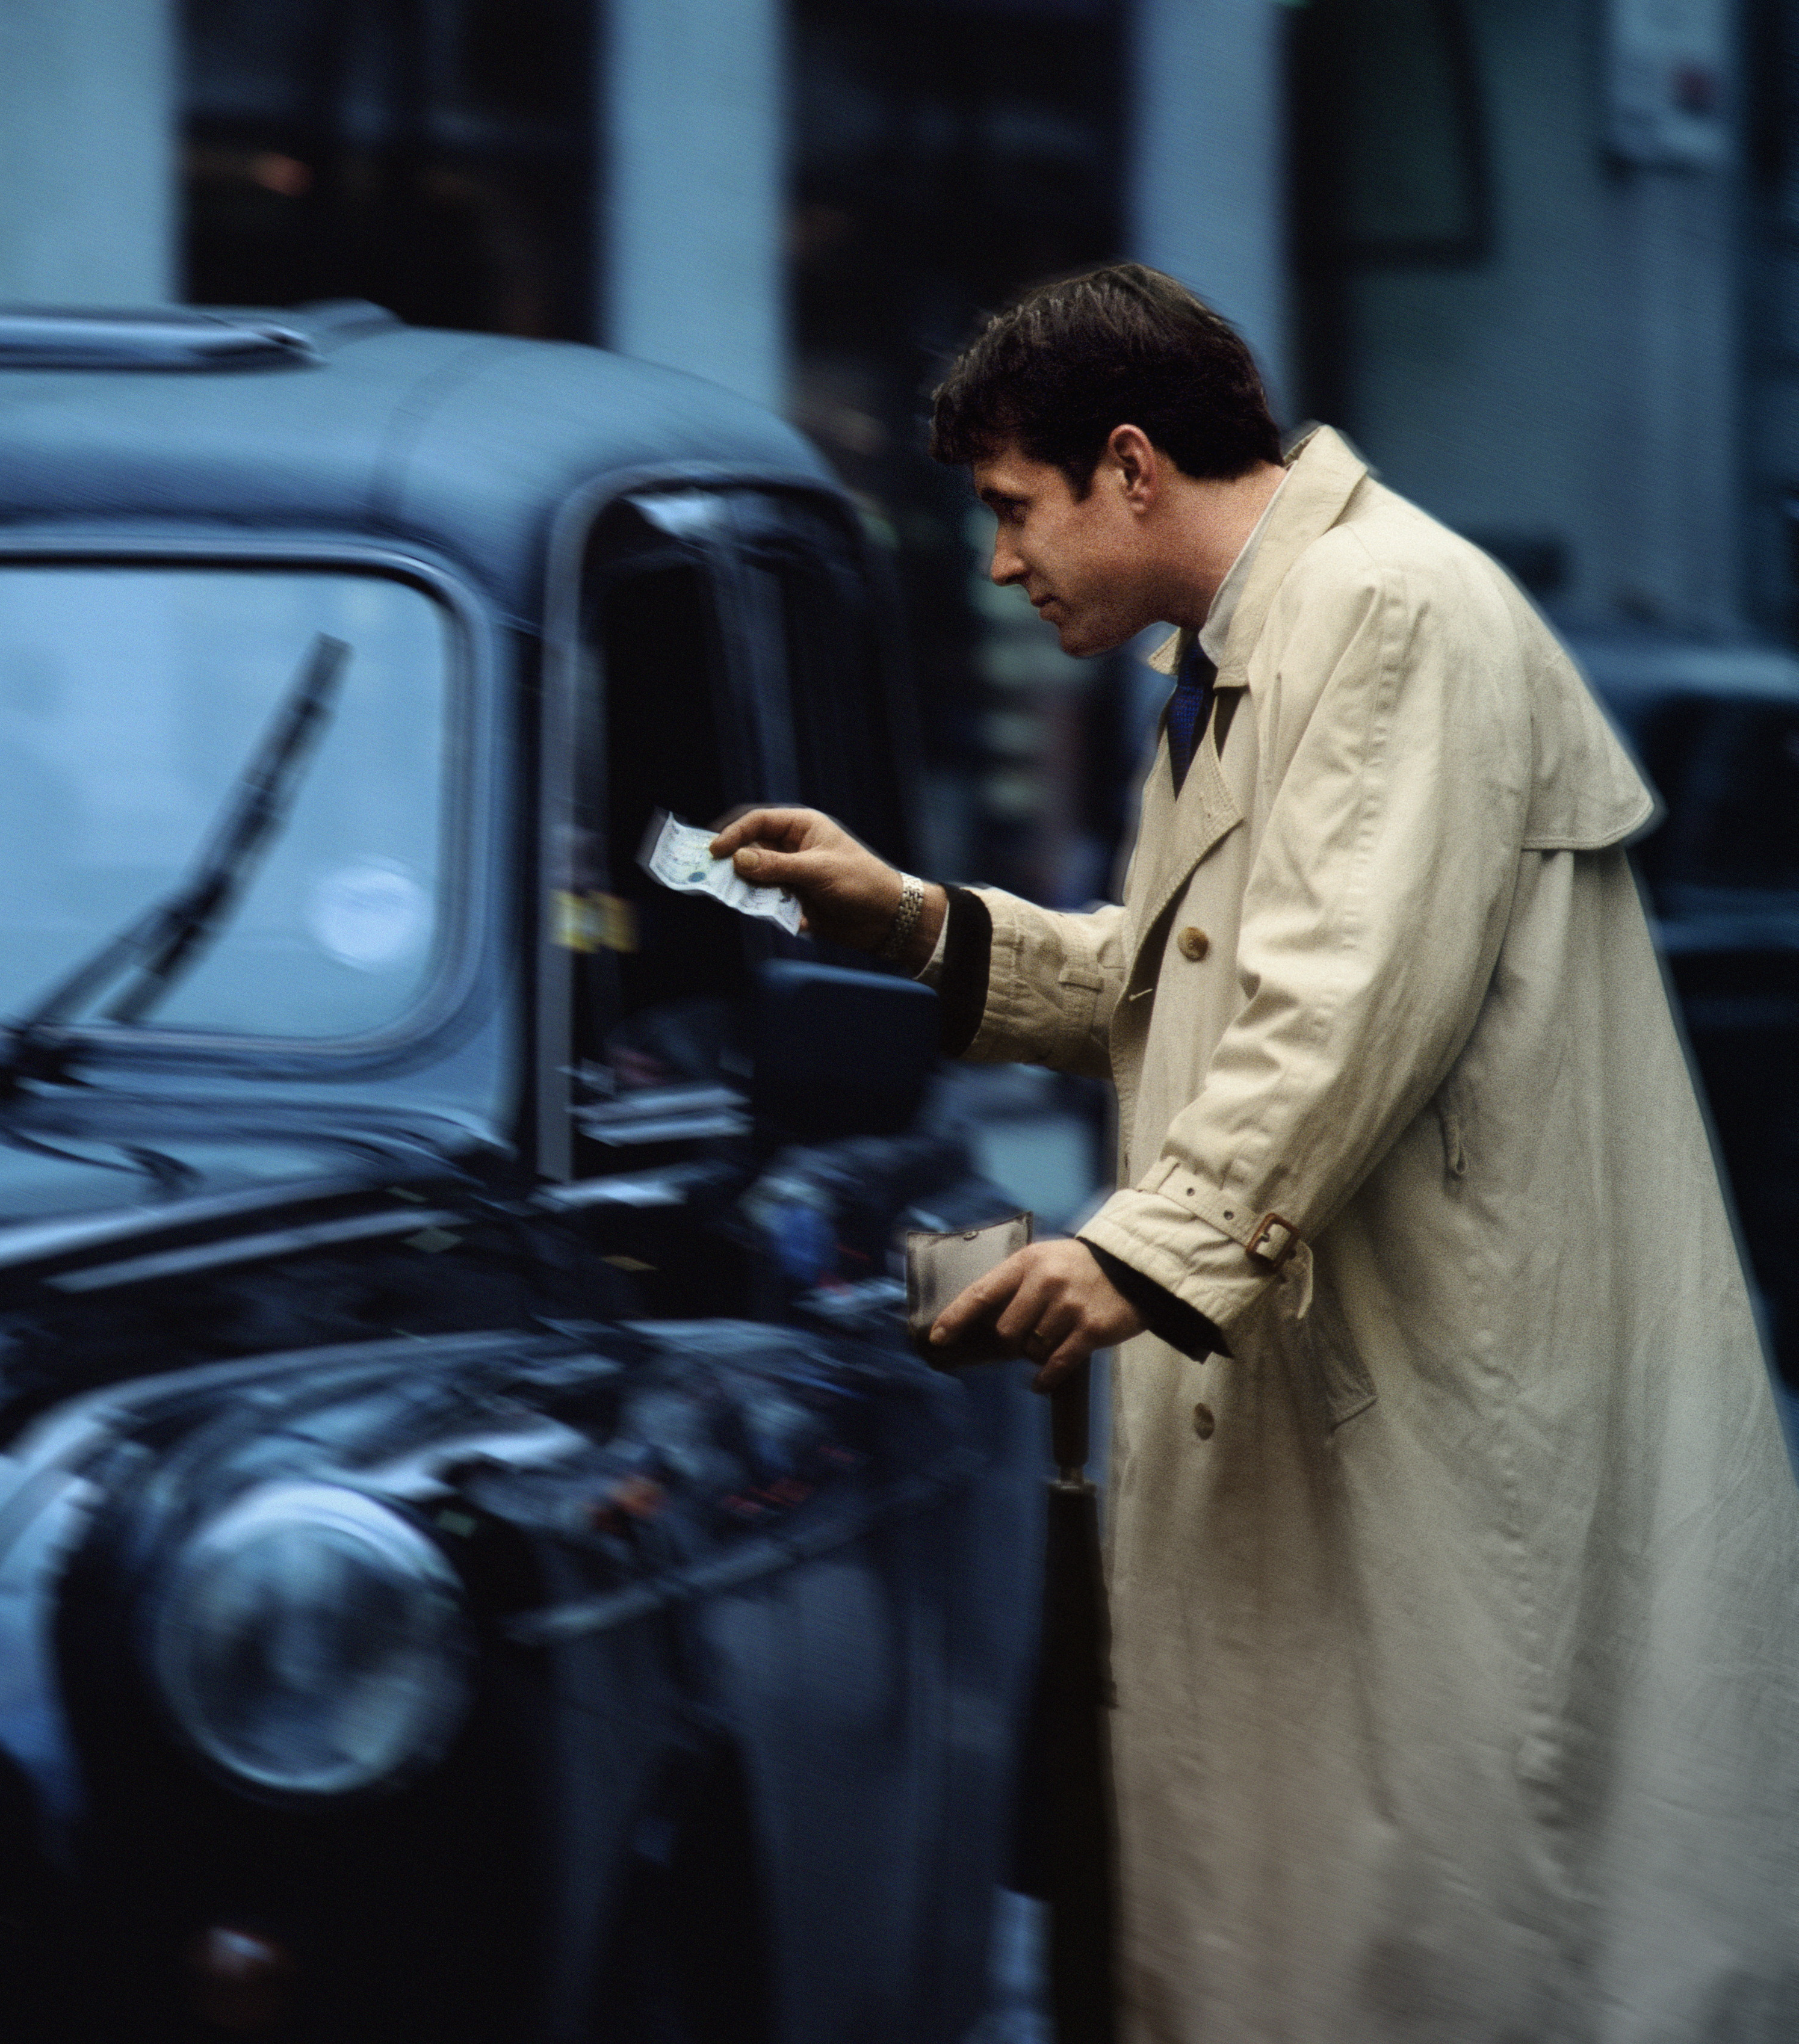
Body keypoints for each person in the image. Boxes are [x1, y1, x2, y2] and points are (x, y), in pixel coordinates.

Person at [716, 264, 1799, 2042]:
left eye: (1012, 510)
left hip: (1443, 1424)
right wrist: (906, 916)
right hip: (1352, 1416)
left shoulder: (1384, 614)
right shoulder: (1257, 657)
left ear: (1129, 466)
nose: (999, 565)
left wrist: (1139, 1246)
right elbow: (1179, 985)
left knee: (1445, 1940)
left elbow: (1341, 997)